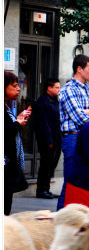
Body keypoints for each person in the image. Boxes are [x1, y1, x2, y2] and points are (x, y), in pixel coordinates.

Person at [57, 54, 89, 210]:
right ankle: (59, 220)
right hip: (73, 138)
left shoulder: (87, 89)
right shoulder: (68, 90)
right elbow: (80, 118)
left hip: (85, 138)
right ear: (79, 69)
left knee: (82, 184)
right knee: (70, 183)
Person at [4, 71, 31, 214]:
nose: (18, 88)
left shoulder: (6, 106)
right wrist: (17, 124)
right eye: (14, 86)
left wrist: (17, 120)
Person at [32, 78, 62, 199]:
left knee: (51, 165)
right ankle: (41, 190)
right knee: (46, 164)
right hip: (47, 139)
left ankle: (46, 189)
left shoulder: (55, 101)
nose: (59, 90)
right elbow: (44, 123)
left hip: (56, 137)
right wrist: (49, 140)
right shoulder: (43, 102)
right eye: (57, 87)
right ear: (49, 88)